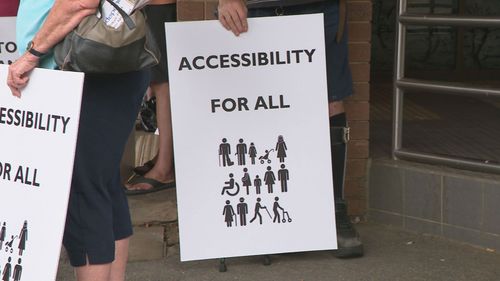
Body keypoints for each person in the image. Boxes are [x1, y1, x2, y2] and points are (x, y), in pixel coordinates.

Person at [6, 0, 151, 279]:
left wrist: (32, 53)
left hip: (82, 71)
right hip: (108, 65)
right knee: (102, 185)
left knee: (82, 192)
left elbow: (80, 2)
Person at [217, 0, 364, 258]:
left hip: (318, 5)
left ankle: (335, 211)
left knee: (330, 99)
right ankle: (262, 221)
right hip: (254, 6)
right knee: (255, 102)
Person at [125, 0, 177, 195]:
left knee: (163, 83)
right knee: (158, 80)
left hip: (160, 4)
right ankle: (164, 158)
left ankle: (164, 167)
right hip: (150, 5)